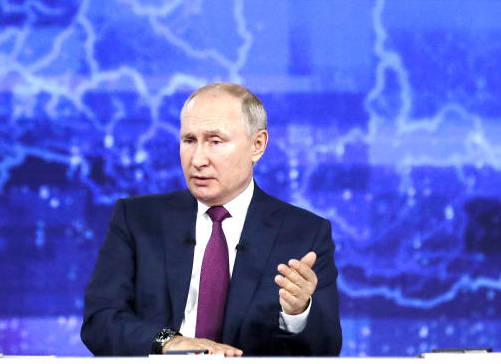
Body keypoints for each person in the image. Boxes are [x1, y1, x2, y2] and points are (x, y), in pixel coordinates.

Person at [81, 83, 342, 356]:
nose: (198, 159)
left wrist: (298, 312)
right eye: (189, 141)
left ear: (258, 145)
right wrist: (168, 342)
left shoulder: (304, 233)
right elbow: (100, 320)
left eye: (215, 141)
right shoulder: (136, 219)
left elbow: (327, 348)